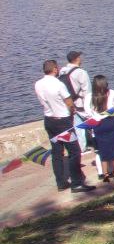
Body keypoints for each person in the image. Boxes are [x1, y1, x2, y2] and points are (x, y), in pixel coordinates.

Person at [35, 59, 94, 193]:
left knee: (57, 152)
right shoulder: (58, 84)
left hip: (49, 120)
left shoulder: (38, 84)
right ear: (55, 69)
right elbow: (69, 103)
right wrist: (72, 114)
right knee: (74, 151)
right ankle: (76, 183)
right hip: (63, 121)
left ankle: (60, 182)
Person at [87, 74, 114, 182]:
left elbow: (88, 112)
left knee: (102, 150)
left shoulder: (90, 96)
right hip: (111, 122)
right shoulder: (112, 92)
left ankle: (105, 174)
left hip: (98, 124)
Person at [58, 50, 91, 151]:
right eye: (79, 57)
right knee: (89, 123)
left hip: (68, 103)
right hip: (80, 103)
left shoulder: (62, 71)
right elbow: (87, 91)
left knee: (76, 126)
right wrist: (89, 106)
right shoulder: (81, 72)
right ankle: (84, 147)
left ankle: (79, 147)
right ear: (77, 59)